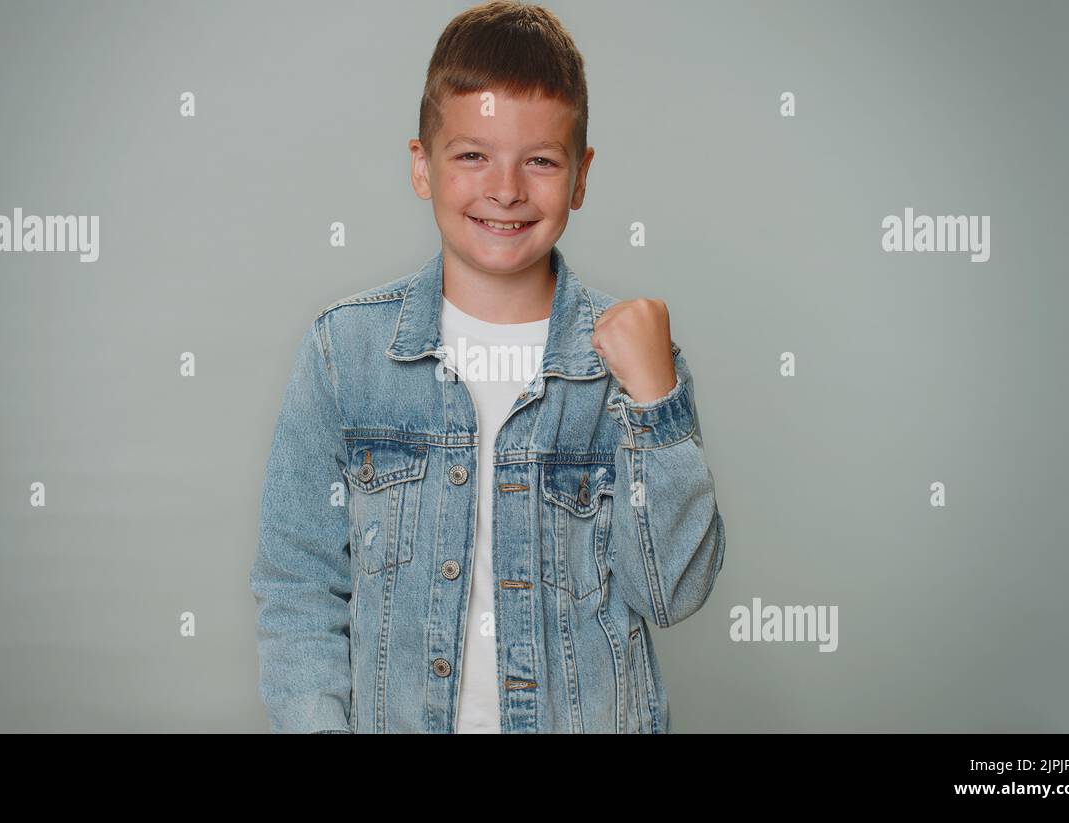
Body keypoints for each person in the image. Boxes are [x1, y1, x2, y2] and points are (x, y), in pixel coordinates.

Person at [251, 0, 725, 733]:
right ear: (422, 166)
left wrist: (656, 399)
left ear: (581, 177)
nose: (506, 189)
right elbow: (298, 586)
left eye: (540, 160)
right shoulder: (345, 354)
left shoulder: (631, 367)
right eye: (473, 155)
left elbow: (673, 592)